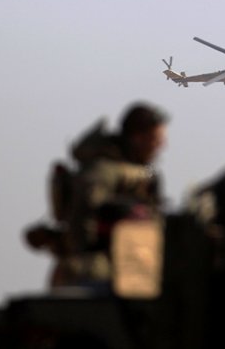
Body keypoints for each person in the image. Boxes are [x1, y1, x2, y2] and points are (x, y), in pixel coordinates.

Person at [23, 102, 169, 286]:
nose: (161, 145)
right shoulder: (103, 170)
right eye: (156, 139)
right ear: (138, 137)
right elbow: (82, 217)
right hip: (94, 274)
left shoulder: (141, 173)